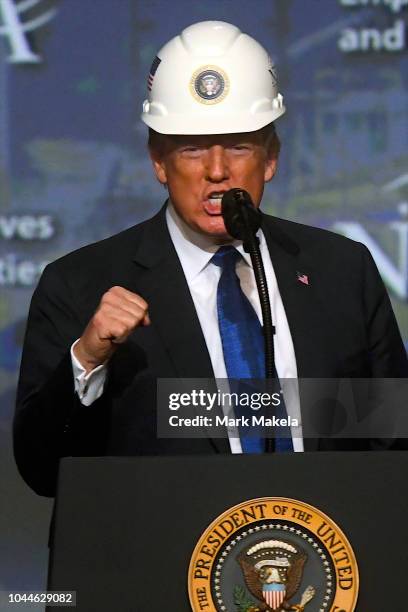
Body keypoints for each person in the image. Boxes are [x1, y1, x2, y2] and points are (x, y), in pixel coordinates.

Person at [13, 21, 408, 497]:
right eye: (192, 149)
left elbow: (392, 448)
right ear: (159, 162)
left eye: (239, 145)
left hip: (320, 561)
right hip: (159, 567)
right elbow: (41, 470)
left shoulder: (342, 271)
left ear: (271, 158)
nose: (217, 172)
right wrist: (90, 359)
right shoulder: (78, 284)